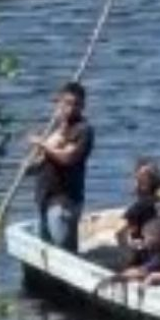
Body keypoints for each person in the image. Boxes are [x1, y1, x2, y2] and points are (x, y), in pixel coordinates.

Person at [29, 81, 94, 253]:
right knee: (45, 254)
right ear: (59, 103)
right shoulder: (55, 129)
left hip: (64, 203)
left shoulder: (83, 130)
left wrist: (43, 144)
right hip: (44, 199)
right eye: (67, 103)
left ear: (83, 106)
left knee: (64, 255)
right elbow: (37, 165)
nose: (71, 108)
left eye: (76, 104)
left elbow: (67, 158)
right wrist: (32, 161)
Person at [116, 157, 160, 267]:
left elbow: (122, 231)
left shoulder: (139, 207)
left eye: (135, 179)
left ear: (140, 184)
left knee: (121, 234)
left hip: (145, 256)